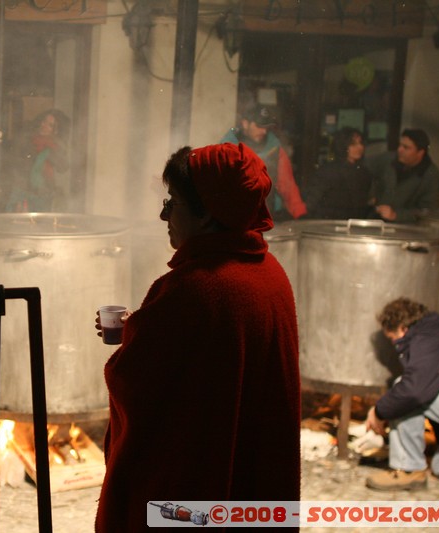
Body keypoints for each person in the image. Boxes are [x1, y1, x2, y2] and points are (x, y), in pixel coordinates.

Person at [95, 143, 301, 532]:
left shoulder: (194, 287)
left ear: (208, 213)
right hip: (251, 488)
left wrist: (135, 337)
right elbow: (210, 355)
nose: (163, 214)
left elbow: (138, 384)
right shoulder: (270, 275)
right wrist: (142, 327)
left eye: (173, 202)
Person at [365, 297, 439, 491]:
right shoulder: (436, 330)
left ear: (403, 328)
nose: (394, 345)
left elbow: (414, 391)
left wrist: (379, 411)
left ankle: (408, 469)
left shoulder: (432, 338)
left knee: (403, 390)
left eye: (392, 339)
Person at [220, 105, 307, 221]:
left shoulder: (275, 150)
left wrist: (300, 214)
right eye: (259, 126)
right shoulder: (225, 150)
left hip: (268, 217)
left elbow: (287, 186)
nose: (264, 131)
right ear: (245, 124)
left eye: (266, 127)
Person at [366, 128, 439, 223]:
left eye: (406, 147)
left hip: (407, 230)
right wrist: (371, 195)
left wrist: (396, 215)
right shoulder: (388, 159)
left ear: (420, 153)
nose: (399, 150)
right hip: (376, 221)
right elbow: (364, 169)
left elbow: (428, 212)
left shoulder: (431, 177)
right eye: (400, 145)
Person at [3, 109, 70, 212]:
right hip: (22, 190)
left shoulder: (56, 145)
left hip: (44, 193)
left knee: (41, 224)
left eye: (50, 125)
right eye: (44, 121)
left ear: (55, 130)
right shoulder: (27, 138)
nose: (44, 125)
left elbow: (63, 167)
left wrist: (51, 152)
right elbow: (14, 162)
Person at [303, 127, 376, 219]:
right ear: (343, 146)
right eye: (353, 144)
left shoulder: (364, 172)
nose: (360, 147)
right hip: (330, 223)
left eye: (361, 143)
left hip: (354, 225)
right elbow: (312, 200)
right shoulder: (329, 171)